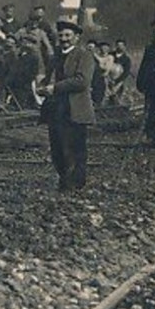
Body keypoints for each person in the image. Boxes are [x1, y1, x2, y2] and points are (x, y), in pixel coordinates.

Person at [38, 19, 96, 192]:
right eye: (61, 35)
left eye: (68, 35)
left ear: (76, 37)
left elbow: (82, 81)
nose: (64, 39)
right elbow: (48, 77)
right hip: (56, 108)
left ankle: (75, 184)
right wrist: (42, 85)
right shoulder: (55, 56)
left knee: (74, 148)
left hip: (75, 108)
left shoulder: (84, 55)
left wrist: (54, 88)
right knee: (57, 148)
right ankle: (64, 181)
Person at [108, 39, 135, 107]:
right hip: (108, 78)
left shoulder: (126, 59)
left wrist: (118, 81)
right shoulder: (110, 55)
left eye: (121, 45)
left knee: (119, 95)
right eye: (118, 45)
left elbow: (126, 72)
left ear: (124, 47)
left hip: (120, 80)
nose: (119, 47)